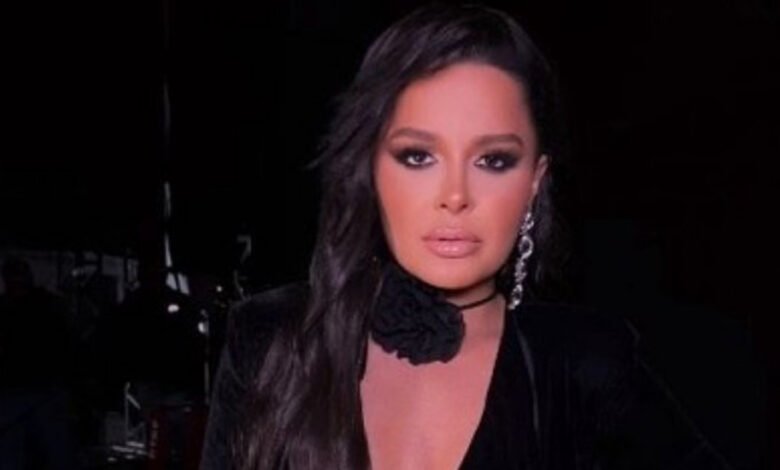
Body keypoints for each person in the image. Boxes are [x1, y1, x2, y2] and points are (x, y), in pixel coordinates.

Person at [201, 4, 732, 469]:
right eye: (418, 156)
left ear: (534, 181)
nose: (455, 195)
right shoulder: (269, 340)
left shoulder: (585, 365)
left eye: (493, 160)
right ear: (371, 169)